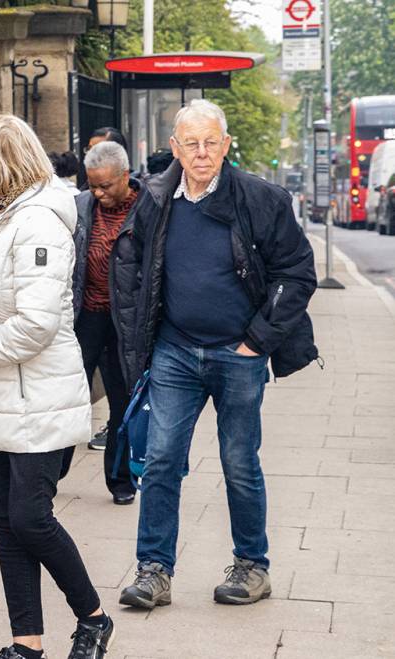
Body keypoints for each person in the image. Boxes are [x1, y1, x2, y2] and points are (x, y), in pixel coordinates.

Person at [112, 99, 318, 610]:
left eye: (211, 142)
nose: (202, 153)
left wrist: (256, 342)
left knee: (238, 462)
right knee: (159, 462)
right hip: (176, 352)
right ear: (175, 148)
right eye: (191, 143)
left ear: (226, 145)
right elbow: (130, 264)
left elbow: (298, 274)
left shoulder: (262, 199)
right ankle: (154, 570)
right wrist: (145, 335)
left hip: (239, 355)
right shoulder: (158, 197)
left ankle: (253, 567)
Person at [0, 114, 114, 659]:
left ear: (1, 163)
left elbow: (38, 324)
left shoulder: (37, 221)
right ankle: (26, 642)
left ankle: (93, 617)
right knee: (3, 523)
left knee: (30, 518)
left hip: (36, 395)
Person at [72, 141, 139, 506]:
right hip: (86, 316)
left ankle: (120, 479)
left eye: (106, 186)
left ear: (125, 177)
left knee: (122, 401)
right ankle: (53, 471)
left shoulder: (146, 209)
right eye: (92, 184)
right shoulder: (81, 205)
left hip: (123, 321)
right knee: (68, 395)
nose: (98, 192)